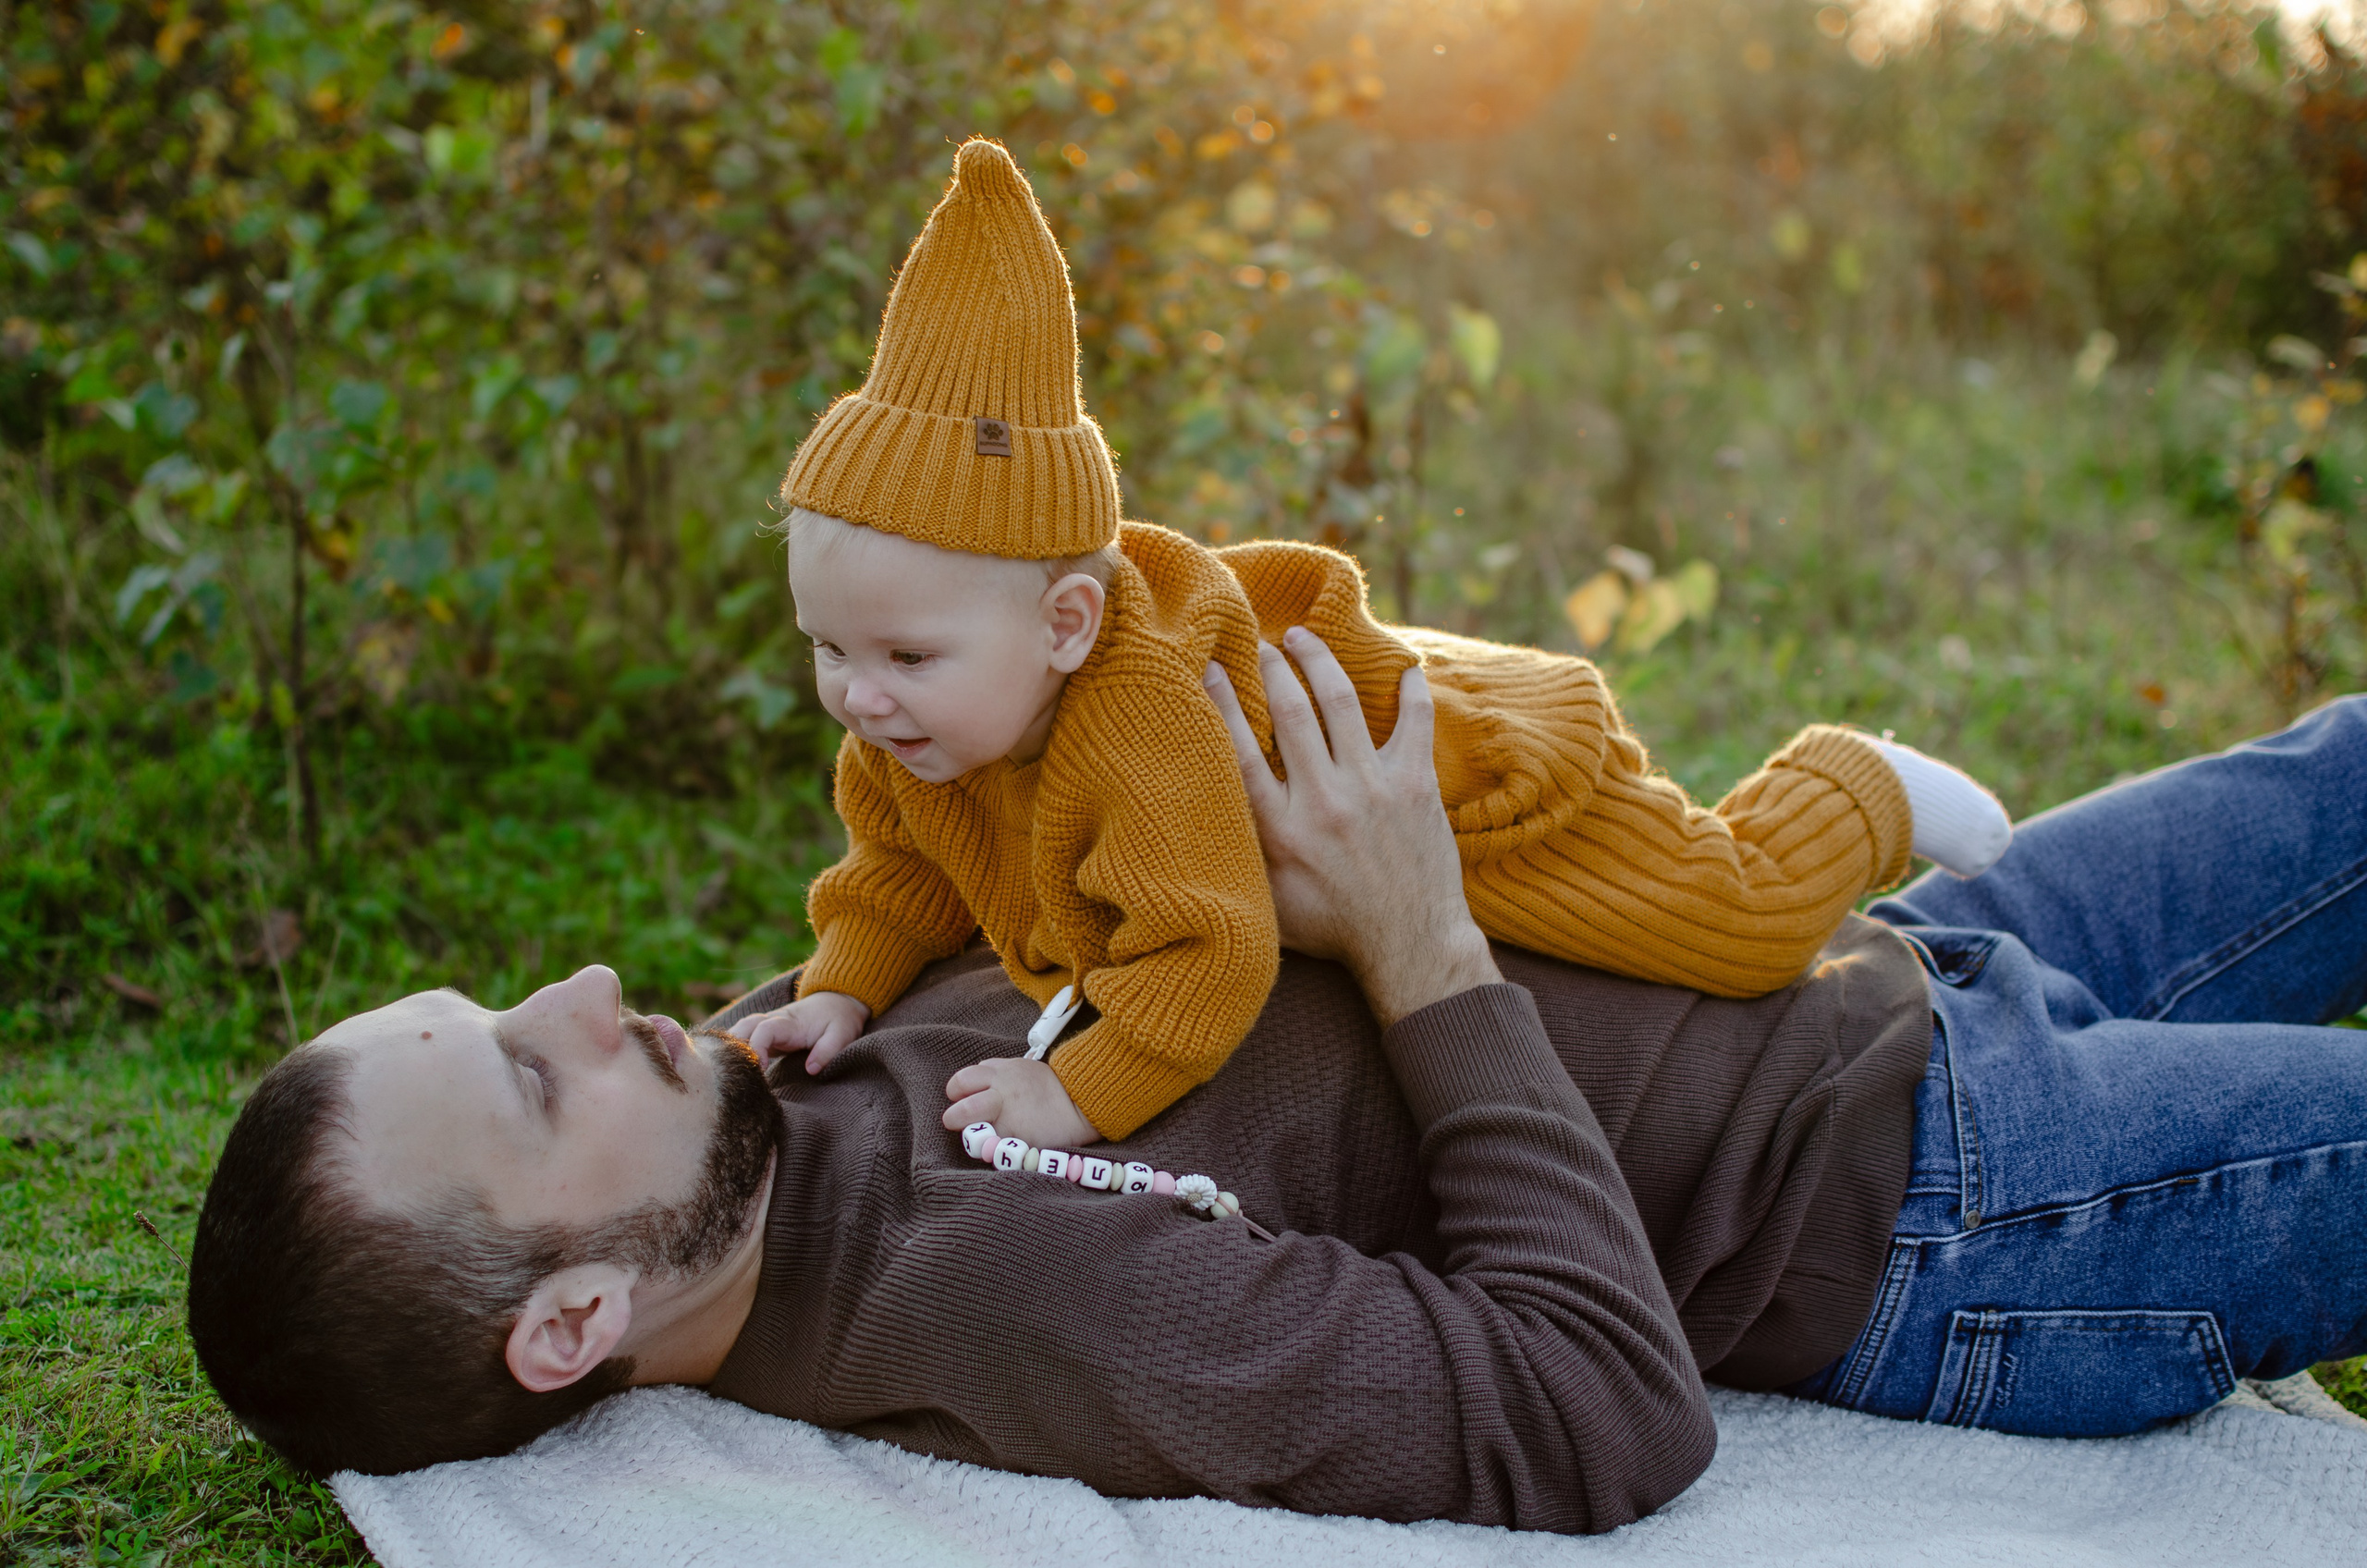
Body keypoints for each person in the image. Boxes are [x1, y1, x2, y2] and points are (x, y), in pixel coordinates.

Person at [187, 629, 2367, 1532]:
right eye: (531, 1074)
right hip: (1940, 1193)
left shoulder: (770, 1079)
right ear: (571, 1320)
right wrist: (1415, 931)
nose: (584, 984)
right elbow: (1591, 1410)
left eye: (506, 994)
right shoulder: (1002, 1298)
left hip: (1870, 960)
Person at [747, 136, 2010, 1151]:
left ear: (1067, 624)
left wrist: (1075, 1098)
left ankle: (1854, 787)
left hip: (1455, 784)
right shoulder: (905, 724)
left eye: (908, 658)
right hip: (1318, 749)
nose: (859, 696)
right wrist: (843, 986)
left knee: (1735, 930)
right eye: (829, 649)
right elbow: (896, 874)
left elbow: (1210, 953)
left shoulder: (1135, 724)